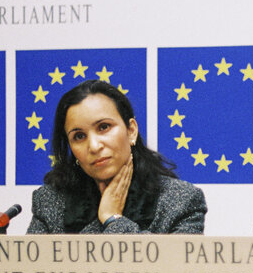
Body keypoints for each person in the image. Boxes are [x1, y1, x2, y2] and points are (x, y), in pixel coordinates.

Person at [28, 80, 207, 234]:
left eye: (104, 127)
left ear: (131, 131)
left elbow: (168, 271)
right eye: (79, 136)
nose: (94, 146)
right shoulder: (50, 201)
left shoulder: (181, 201)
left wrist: (113, 220)